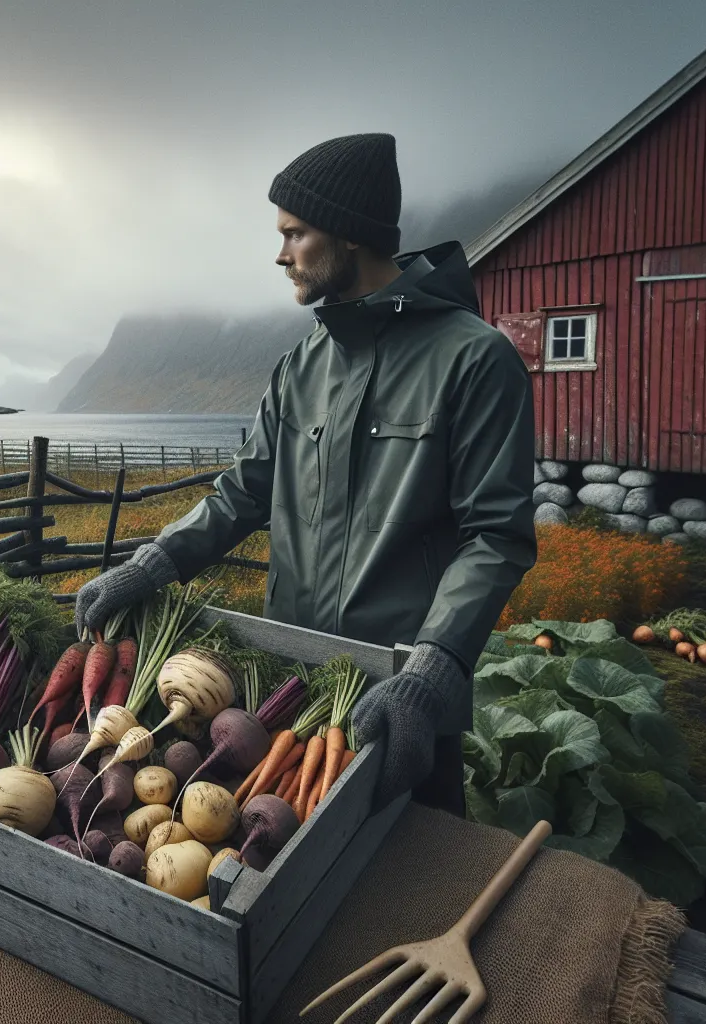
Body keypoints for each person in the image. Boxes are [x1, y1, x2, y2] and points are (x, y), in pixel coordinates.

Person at [75, 133, 536, 814]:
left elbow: (495, 535)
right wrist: (151, 566)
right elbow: (243, 492)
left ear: (349, 234)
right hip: (289, 695)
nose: (281, 252)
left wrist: (434, 669)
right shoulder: (301, 366)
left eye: (295, 233)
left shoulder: (476, 359)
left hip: (398, 698)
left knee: (417, 878)